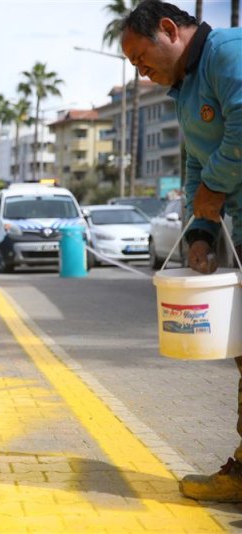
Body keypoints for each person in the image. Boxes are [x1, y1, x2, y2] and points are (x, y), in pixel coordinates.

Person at [121, 0, 242, 502]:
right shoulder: (183, 90)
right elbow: (195, 166)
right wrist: (199, 235)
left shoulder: (227, 53)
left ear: (169, 29)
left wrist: (213, 187)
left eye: (141, 59)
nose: (141, 73)